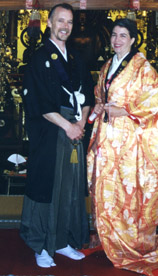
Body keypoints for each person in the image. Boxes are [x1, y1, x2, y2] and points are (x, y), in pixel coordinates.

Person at [87, 18, 158, 276]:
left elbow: (154, 105)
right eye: (115, 35)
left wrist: (126, 111)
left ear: (132, 40)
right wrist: (99, 106)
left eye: (123, 36)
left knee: (128, 191)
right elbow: (100, 95)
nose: (117, 40)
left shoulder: (144, 69)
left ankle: (131, 244)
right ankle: (111, 239)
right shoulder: (108, 65)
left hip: (131, 142)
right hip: (108, 138)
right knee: (108, 190)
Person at [20, 3, 94, 268]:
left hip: (74, 133)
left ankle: (62, 240)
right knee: (46, 187)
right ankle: (41, 245)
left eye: (70, 22)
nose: (65, 26)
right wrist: (68, 126)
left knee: (70, 188)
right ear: (49, 23)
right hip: (50, 133)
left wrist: (82, 122)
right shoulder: (39, 58)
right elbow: (38, 103)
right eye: (60, 21)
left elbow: (88, 93)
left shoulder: (76, 59)